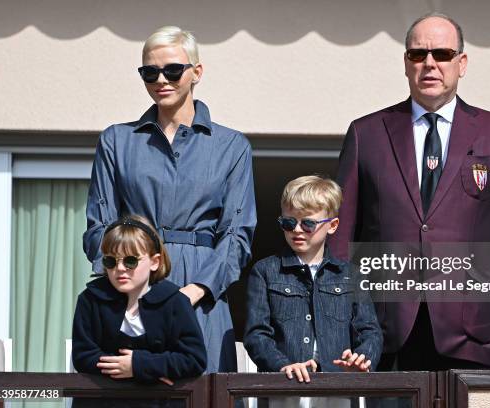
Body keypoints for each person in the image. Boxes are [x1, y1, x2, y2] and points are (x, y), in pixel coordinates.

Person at [330, 13, 490, 371]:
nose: (429, 64)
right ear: (405, 64)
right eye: (418, 55)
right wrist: (335, 315)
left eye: (442, 54)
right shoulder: (365, 134)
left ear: (461, 63)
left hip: (471, 334)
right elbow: (340, 236)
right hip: (384, 335)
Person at [83, 26, 256, 374]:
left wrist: (192, 292)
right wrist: (132, 282)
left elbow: (237, 235)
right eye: (150, 72)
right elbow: (97, 229)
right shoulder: (116, 142)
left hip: (201, 297)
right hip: (129, 294)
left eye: (172, 70)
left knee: (203, 390)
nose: (161, 79)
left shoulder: (232, 146)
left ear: (197, 72)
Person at [244, 175, 382, 391]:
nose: (297, 230)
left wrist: (362, 359)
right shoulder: (265, 271)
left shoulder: (351, 275)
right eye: (289, 222)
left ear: (333, 225)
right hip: (284, 389)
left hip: (339, 387)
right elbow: (256, 334)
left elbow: (370, 331)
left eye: (308, 223)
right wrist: (283, 366)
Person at [72, 216, 206, 406]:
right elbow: (83, 355)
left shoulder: (175, 302)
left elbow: (194, 359)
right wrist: (144, 371)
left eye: (130, 261)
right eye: (110, 261)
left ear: (155, 262)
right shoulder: (90, 299)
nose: (119, 268)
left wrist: (138, 365)